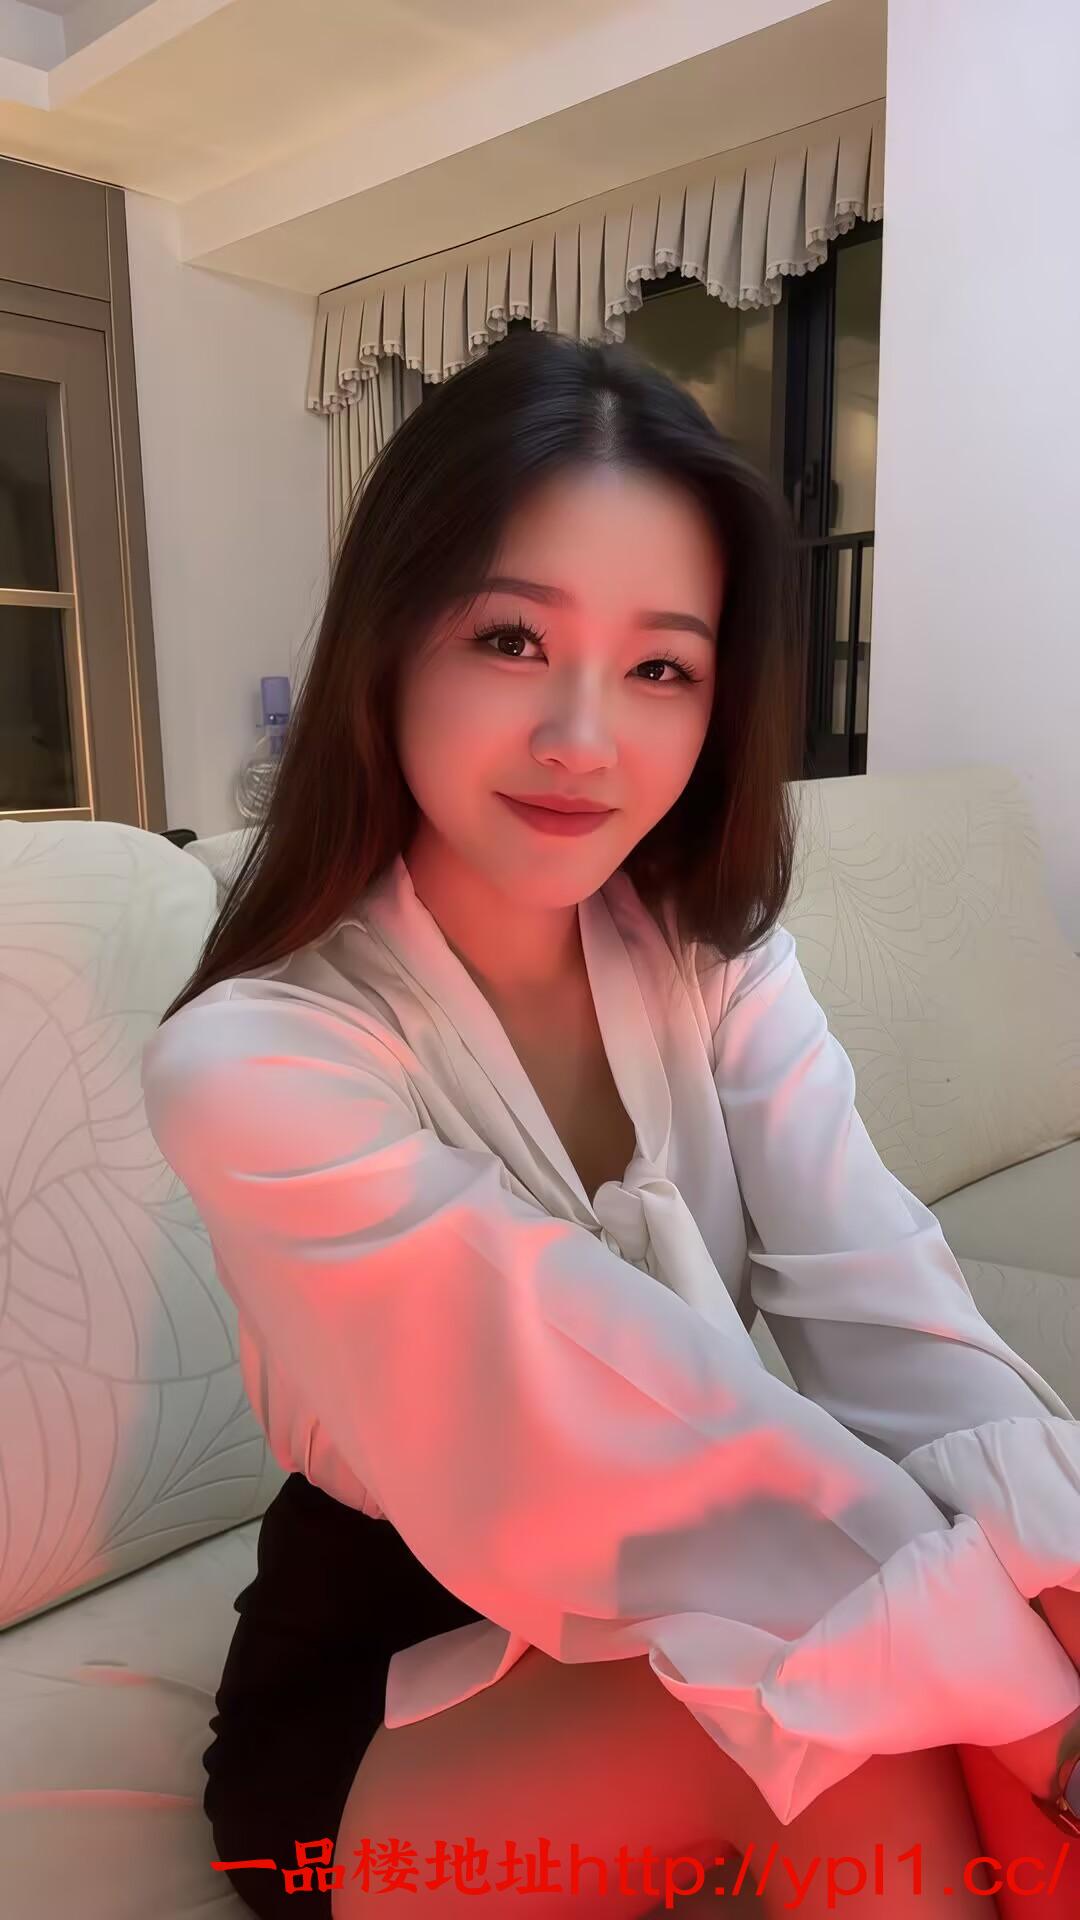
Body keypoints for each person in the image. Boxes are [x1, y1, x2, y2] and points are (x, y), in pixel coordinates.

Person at [140, 329, 1080, 1920]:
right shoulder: (254, 1066)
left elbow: (878, 1289)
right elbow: (615, 1415)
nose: (586, 736)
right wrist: (1007, 1667)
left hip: (679, 1610)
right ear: (390, 643)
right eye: (512, 639)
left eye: (661, 668)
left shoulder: (711, 956)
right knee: (853, 1720)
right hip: (378, 1700)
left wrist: (1051, 1567)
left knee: (931, 1665)